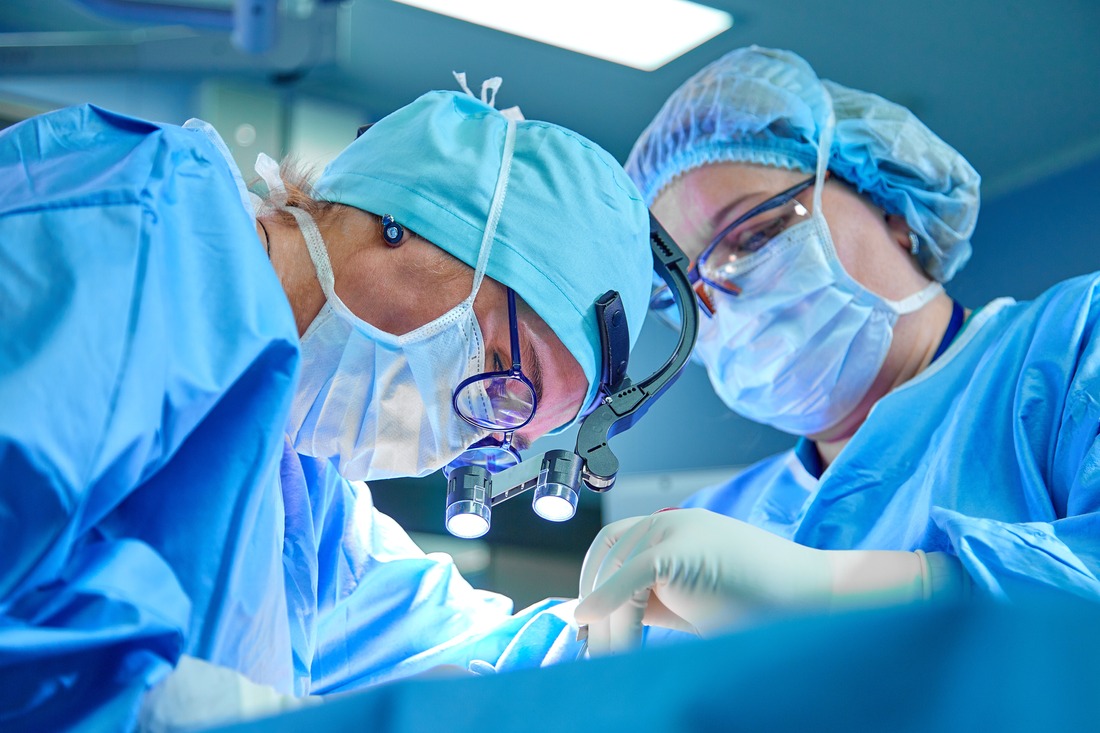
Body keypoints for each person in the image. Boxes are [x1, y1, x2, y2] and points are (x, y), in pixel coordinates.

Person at [0, 75, 653, 730]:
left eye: (509, 435)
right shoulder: (138, 224)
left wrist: (663, 613)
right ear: (413, 222)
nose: (468, 440)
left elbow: (484, 653)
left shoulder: (300, 498)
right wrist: (149, 710)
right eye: (505, 377)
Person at [575, 45, 1100, 656]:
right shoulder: (717, 521)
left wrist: (838, 592)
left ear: (891, 208)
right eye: (687, 293)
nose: (725, 293)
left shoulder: (1073, 349)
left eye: (757, 233)